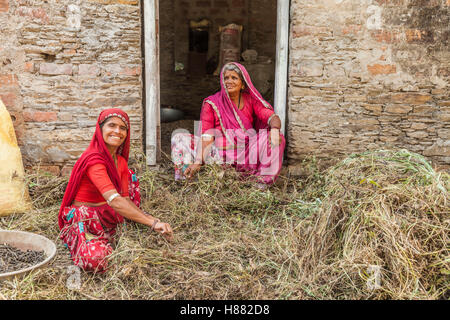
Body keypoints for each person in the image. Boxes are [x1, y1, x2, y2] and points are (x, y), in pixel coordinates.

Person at [58, 108, 173, 273]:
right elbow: (116, 201)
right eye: (111, 125)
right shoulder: (94, 160)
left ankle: (116, 230)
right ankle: (94, 241)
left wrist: (149, 218)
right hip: (86, 219)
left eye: (122, 128)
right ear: (100, 129)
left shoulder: (120, 161)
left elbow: (125, 200)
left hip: (109, 213)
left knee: (131, 176)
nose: (117, 131)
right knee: (96, 260)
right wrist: (152, 223)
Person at [171, 62, 285, 186]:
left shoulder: (250, 100)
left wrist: (274, 129)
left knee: (275, 138)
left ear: (242, 84)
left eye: (234, 78)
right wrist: (198, 162)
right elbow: (206, 136)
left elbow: (271, 117)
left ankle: (261, 182)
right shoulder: (212, 103)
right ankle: (186, 178)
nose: (229, 81)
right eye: (226, 78)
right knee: (179, 137)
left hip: (246, 154)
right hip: (217, 156)